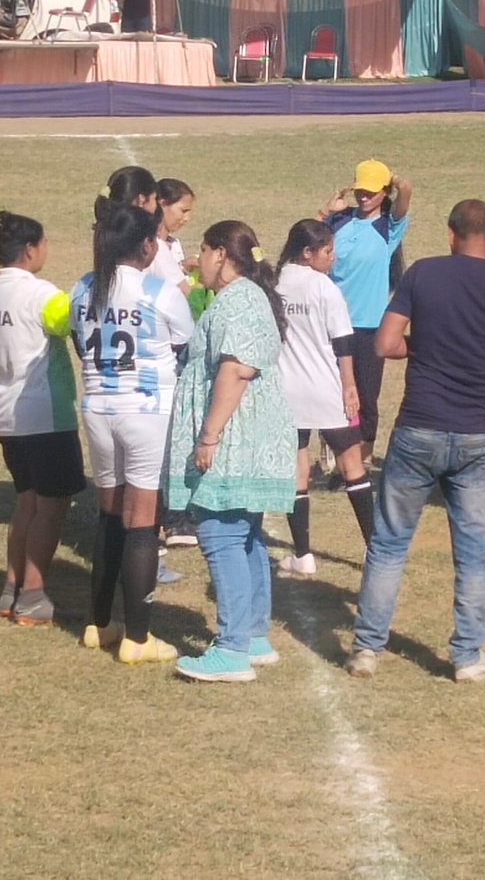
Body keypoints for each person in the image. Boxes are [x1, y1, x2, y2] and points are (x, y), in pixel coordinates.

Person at [347, 200, 485, 683]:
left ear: (450, 234)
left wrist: (425, 346)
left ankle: (367, 648)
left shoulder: (423, 273)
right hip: (476, 436)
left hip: (418, 428)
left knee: (389, 544)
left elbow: (384, 344)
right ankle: (466, 655)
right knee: (473, 551)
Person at [166, 221, 297, 682]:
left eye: (202, 251)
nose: (197, 261)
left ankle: (231, 648)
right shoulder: (246, 297)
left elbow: (236, 369)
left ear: (221, 254)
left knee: (221, 534)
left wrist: (208, 436)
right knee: (244, 535)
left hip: (234, 442)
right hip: (246, 439)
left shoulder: (238, 300)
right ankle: (253, 636)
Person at [69, 205, 195, 664]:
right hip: (145, 411)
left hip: (98, 408)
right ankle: (138, 638)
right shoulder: (159, 291)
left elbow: (79, 338)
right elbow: (184, 340)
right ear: (146, 245)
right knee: (141, 519)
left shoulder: (82, 287)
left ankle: (99, 623)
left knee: (109, 514)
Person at [0, 211, 84, 626]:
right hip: (46, 414)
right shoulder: (42, 295)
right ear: (30, 249)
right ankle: (34, 595)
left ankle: (11, 589)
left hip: (8, 414)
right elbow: (75, 322)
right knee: (52, 506)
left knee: (27, 503)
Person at [98, 166, 199, 552]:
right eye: (157, 200)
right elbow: (183, 315)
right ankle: (167, 526)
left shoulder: (95, 269)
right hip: (147, 392)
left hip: (104, 392)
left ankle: (128, 550)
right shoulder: (149, 248)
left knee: (116, 492)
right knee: (145, 485)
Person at [275, 219, 374, 575]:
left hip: (287, 393)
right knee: (353, 467)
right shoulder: (324, 287)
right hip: (328, 392)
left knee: (295, 469)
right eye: (328, 251)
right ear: (308, 252)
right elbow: (343, 343)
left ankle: (302, 555)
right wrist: (350, 386)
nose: (333, 258)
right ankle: (374, 550)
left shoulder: (275, 283)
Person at [319, 159, 412, 468]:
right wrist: (326, 211)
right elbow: (310, 243)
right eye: (360, 190)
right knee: (332, 390)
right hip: (333, 324)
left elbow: (405, 194)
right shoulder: (339, 220)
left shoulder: (388, 226)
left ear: (384, 192)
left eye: (371, 192)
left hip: (370, 326)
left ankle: (364, 456)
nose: (364, 197)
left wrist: (395, 180)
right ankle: (333, 454)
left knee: (366, 396)